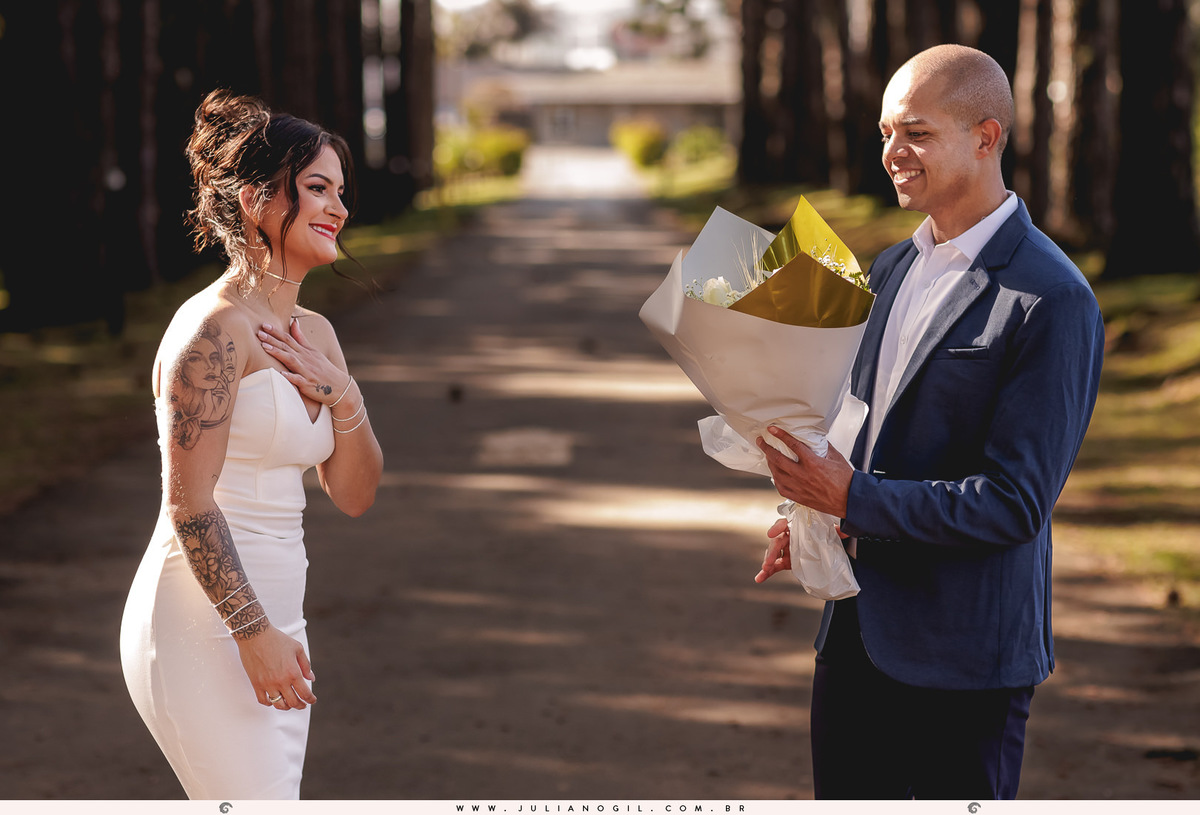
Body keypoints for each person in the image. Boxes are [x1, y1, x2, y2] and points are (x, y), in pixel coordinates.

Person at [753, 45, 1105, 799]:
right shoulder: (888, 269)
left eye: (916, 133)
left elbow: (1015, 503)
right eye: (886, 132)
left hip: (964, 657)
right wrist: (816, 512)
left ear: (986, 137)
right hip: (853, 637)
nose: (892, 152)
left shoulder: (1053, 297)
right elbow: (865, 434)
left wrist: (852, 497)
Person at [120, 90, 384, 800]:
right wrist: (252, 632)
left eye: (340, 192)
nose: (338, 208)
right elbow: (188, 504)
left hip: (282, 612)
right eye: (317, 188)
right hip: (205, 621)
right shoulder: (213, 331)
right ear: (256, 199)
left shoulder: (317, 335)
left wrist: (344, 395)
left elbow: (355, 495)